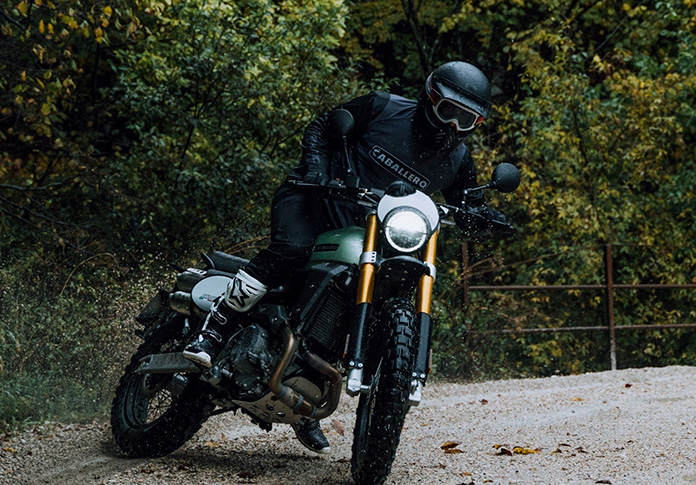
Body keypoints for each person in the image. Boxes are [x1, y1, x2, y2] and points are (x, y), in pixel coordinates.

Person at [184, 60, 508, 454]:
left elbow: (467, 203)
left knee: (374, 300)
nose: (454, 126)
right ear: (429, 99)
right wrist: (317, 170)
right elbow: (323, 127)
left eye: (466, 120)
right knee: (291, 249)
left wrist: (485, 217)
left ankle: (308, 397)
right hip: (315, 199)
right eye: (448, 112)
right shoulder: (383, 107)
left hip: (373, 235)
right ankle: (212, 329)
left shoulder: (458, 160)